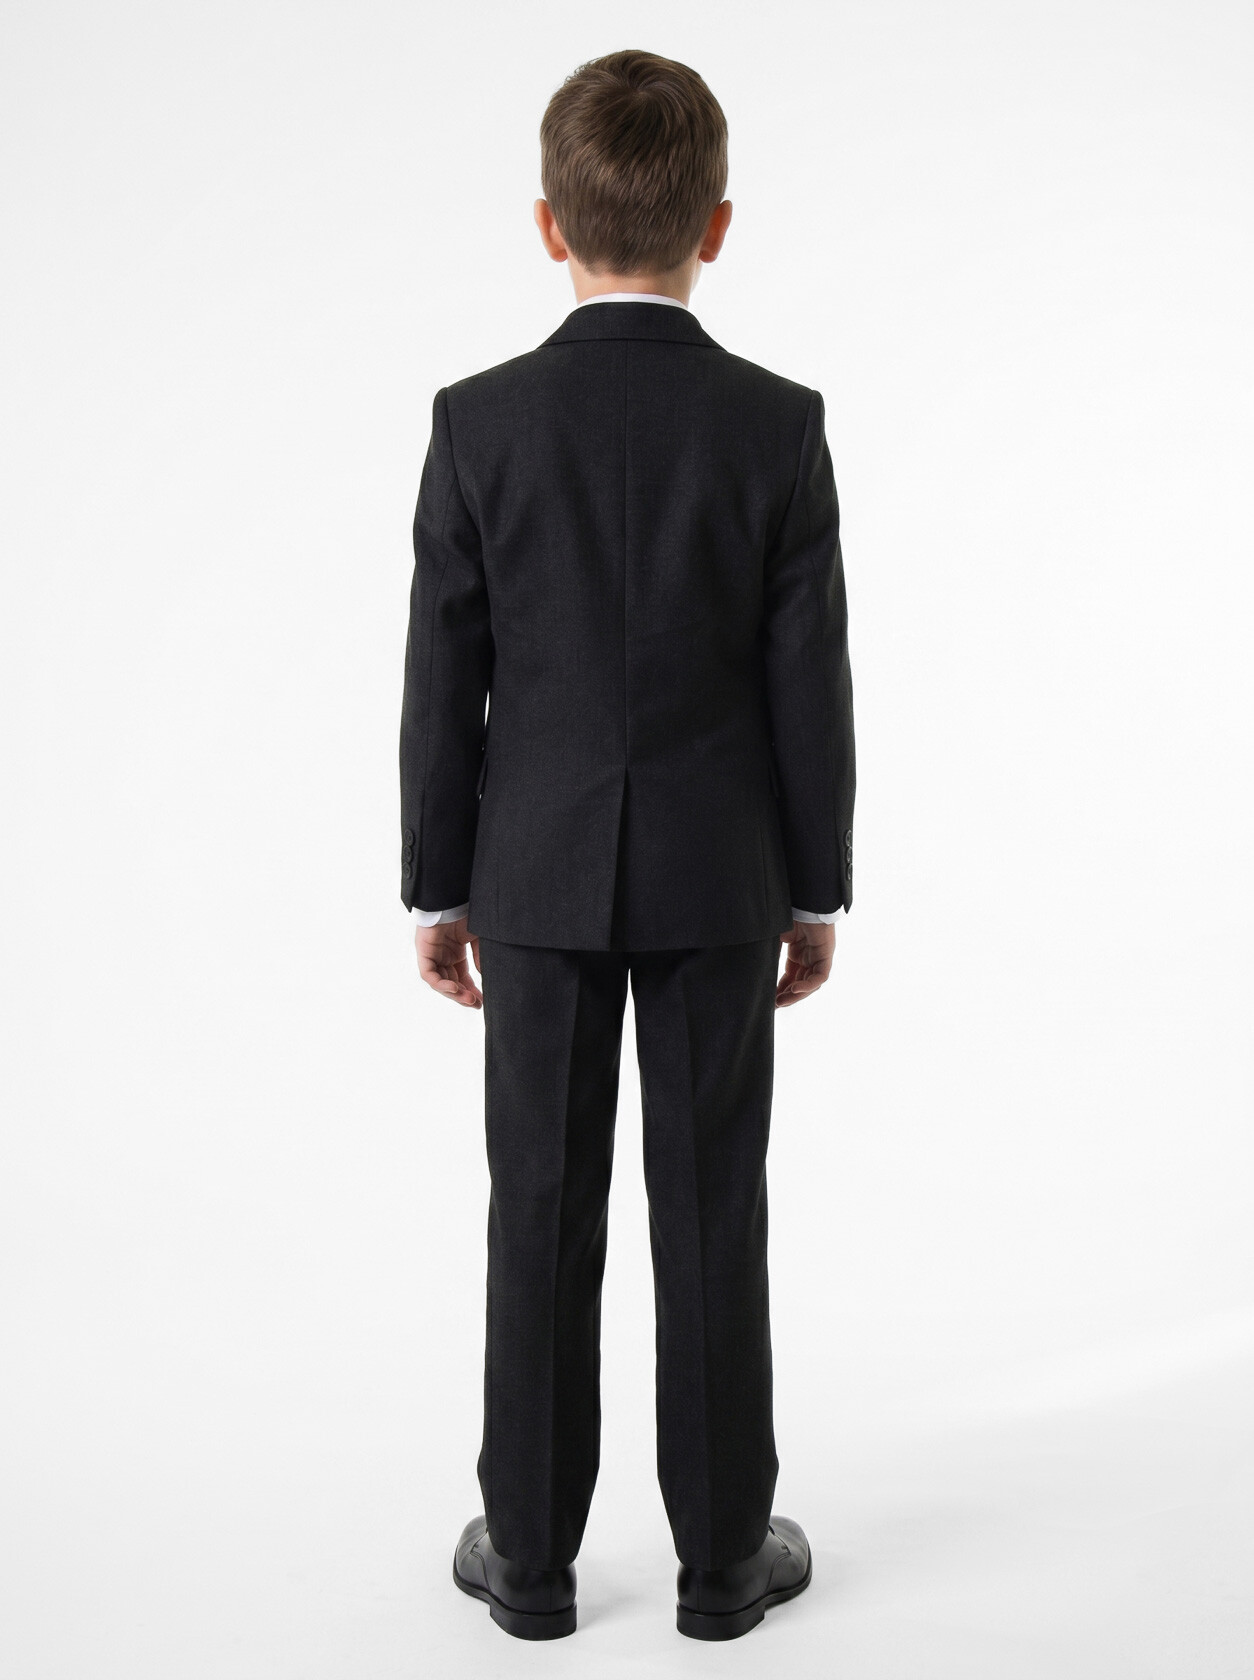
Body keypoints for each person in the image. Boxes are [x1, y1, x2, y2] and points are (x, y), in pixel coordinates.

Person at [398, 48, 855, 1642]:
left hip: (525, 877)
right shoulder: (776, 426)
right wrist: (812, 889)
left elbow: (443, 679)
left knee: (536, 1205)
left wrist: (439, 885)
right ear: (714, 225)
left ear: (549, 225)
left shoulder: (478, 424)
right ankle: (723, 1565)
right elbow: (808, 682)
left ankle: (528, 1564)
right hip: (723, 879)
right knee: (712, 1205)